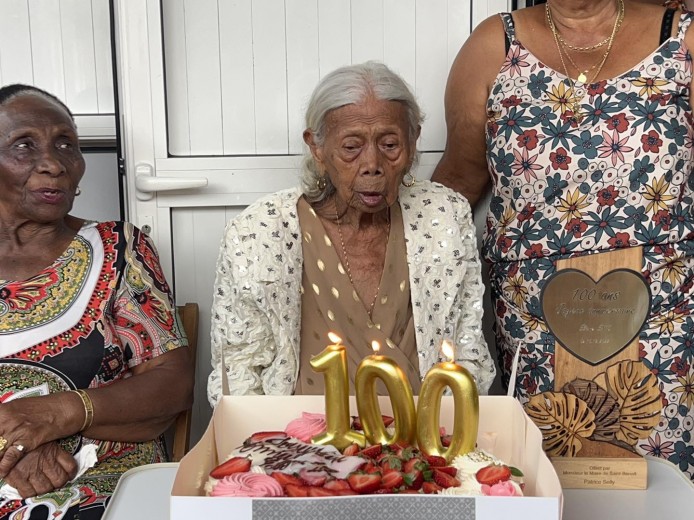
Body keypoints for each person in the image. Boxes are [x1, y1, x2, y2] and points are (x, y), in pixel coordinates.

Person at [432, 0, 694, 477]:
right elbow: (459, 180)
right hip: (535, 322)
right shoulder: (495, 44)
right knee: (539, 471)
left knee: (658, 483)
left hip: (663, 323)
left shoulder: (681, 40)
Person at [207, 62, 496, 404]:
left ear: (414, 140)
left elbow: (467, 350)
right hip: (300, 439)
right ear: (317, 146)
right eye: (351, 147)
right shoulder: (259, 232)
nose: (372, 163)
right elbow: (237, 370)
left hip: (423, 437)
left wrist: (447, 436)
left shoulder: (444, 217)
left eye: (389, 144)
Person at [0, 84, 194, 519]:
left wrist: (59, 413)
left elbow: (172, 385)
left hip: (102, 480)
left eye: (66, 144)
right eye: (24, 146)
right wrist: (17, 442)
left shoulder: (120, 249)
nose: (53, 164)